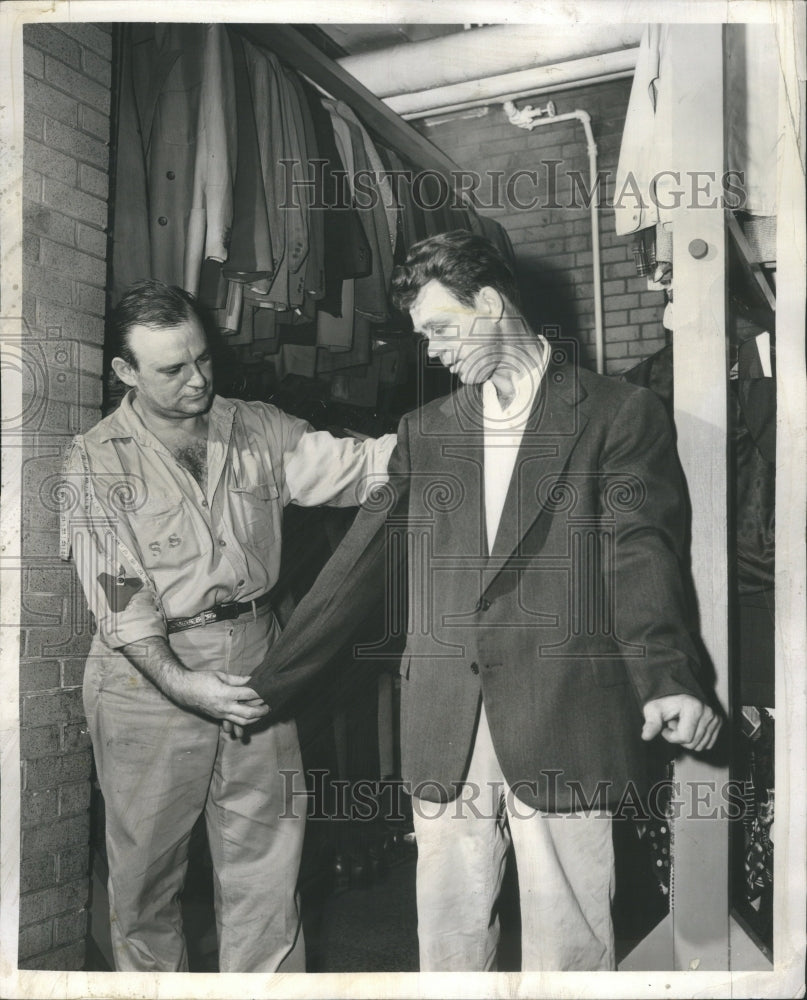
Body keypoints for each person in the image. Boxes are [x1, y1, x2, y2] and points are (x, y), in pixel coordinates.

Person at [247, 231, 722, 972]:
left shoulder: (616, 413)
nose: (431, 349)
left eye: (440, 328)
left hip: (563, 708)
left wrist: (665, 677)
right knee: (447, 940)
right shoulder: (425, 432)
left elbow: (639, 553)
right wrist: (268, 683)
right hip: (444, 714)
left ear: (492, 305)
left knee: (569, 945)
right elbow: (357, 566)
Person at [59, 279, 395, 972]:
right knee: (147, 883)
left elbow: (359, 468)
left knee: (267, 868)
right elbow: (118, 592)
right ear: (124, 371)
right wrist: (183, 683)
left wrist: (455, 435)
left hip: (256, 657)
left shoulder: (257, 427)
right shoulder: (93, 460)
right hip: (146, 676)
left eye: (202, 359)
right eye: (172, 370)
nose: (197, 381)